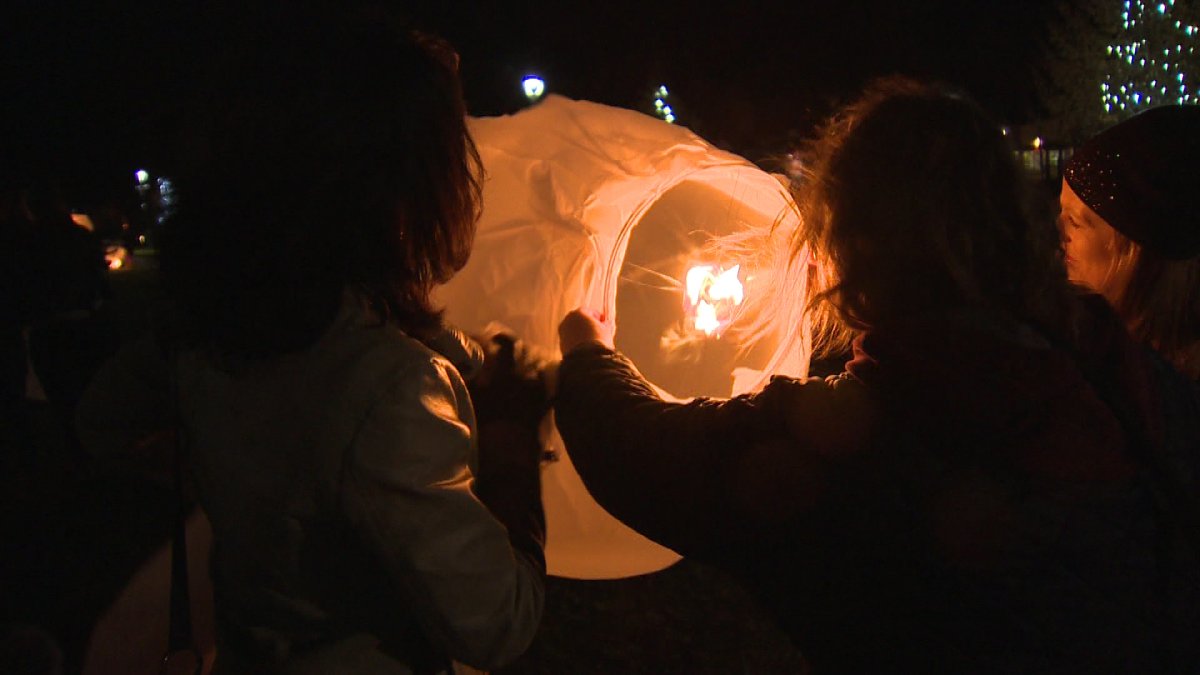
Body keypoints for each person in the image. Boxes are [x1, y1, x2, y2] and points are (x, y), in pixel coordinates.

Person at [553, 78, 1200, 673]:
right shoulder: (1124, 372)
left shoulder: (858, 445)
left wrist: (586, 352)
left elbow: (639, 450)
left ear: (852, 245)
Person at [75, 9, 545, 674]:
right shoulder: (389, 394)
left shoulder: (209, 329)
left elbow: (101, 420)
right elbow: (500, 621)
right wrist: (511, 442)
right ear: (397, 183)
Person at [1059, 104, 1200, 381]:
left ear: (1135, 246)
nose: (1058, 233)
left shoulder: (1155, 396)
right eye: (1060, 213)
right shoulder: (1088, 350)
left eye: (1075, 221)